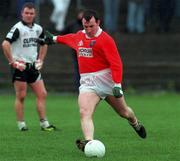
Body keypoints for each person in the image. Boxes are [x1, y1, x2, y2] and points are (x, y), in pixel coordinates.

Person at [45, 10, 147, 152]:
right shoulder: (80, 36)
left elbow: (116, 63)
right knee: (84, 112)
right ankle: (89, 143)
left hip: (107, 82)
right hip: (88, 83)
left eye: (91, 26)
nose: (88, 30)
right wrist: (54, 39)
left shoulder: (106, 40)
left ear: (98, 23)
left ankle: (135, 122)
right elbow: (70, 38)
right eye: (85, 26)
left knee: (124, 112)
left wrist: (117, 84)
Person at [1, 2, 56, 131]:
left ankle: (44, 124)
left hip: (32, 67)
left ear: (35, 14)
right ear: (22, 13)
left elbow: (44, 43)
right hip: (20, 66)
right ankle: (21, 124)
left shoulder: (38, 28)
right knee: (21, 96)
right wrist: (12, 62)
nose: (29, 15)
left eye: (31, 13)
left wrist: (40, 60)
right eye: (26, 13)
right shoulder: (18, 28)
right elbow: (5, 44)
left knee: (42, 94)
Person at [60, 9, 84, 91]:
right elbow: (63, 33)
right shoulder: (73, 25)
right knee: (77, 71)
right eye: (80, 14)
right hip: (76, 53)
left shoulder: (87, 25)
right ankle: (79, 88)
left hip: (86, 53)